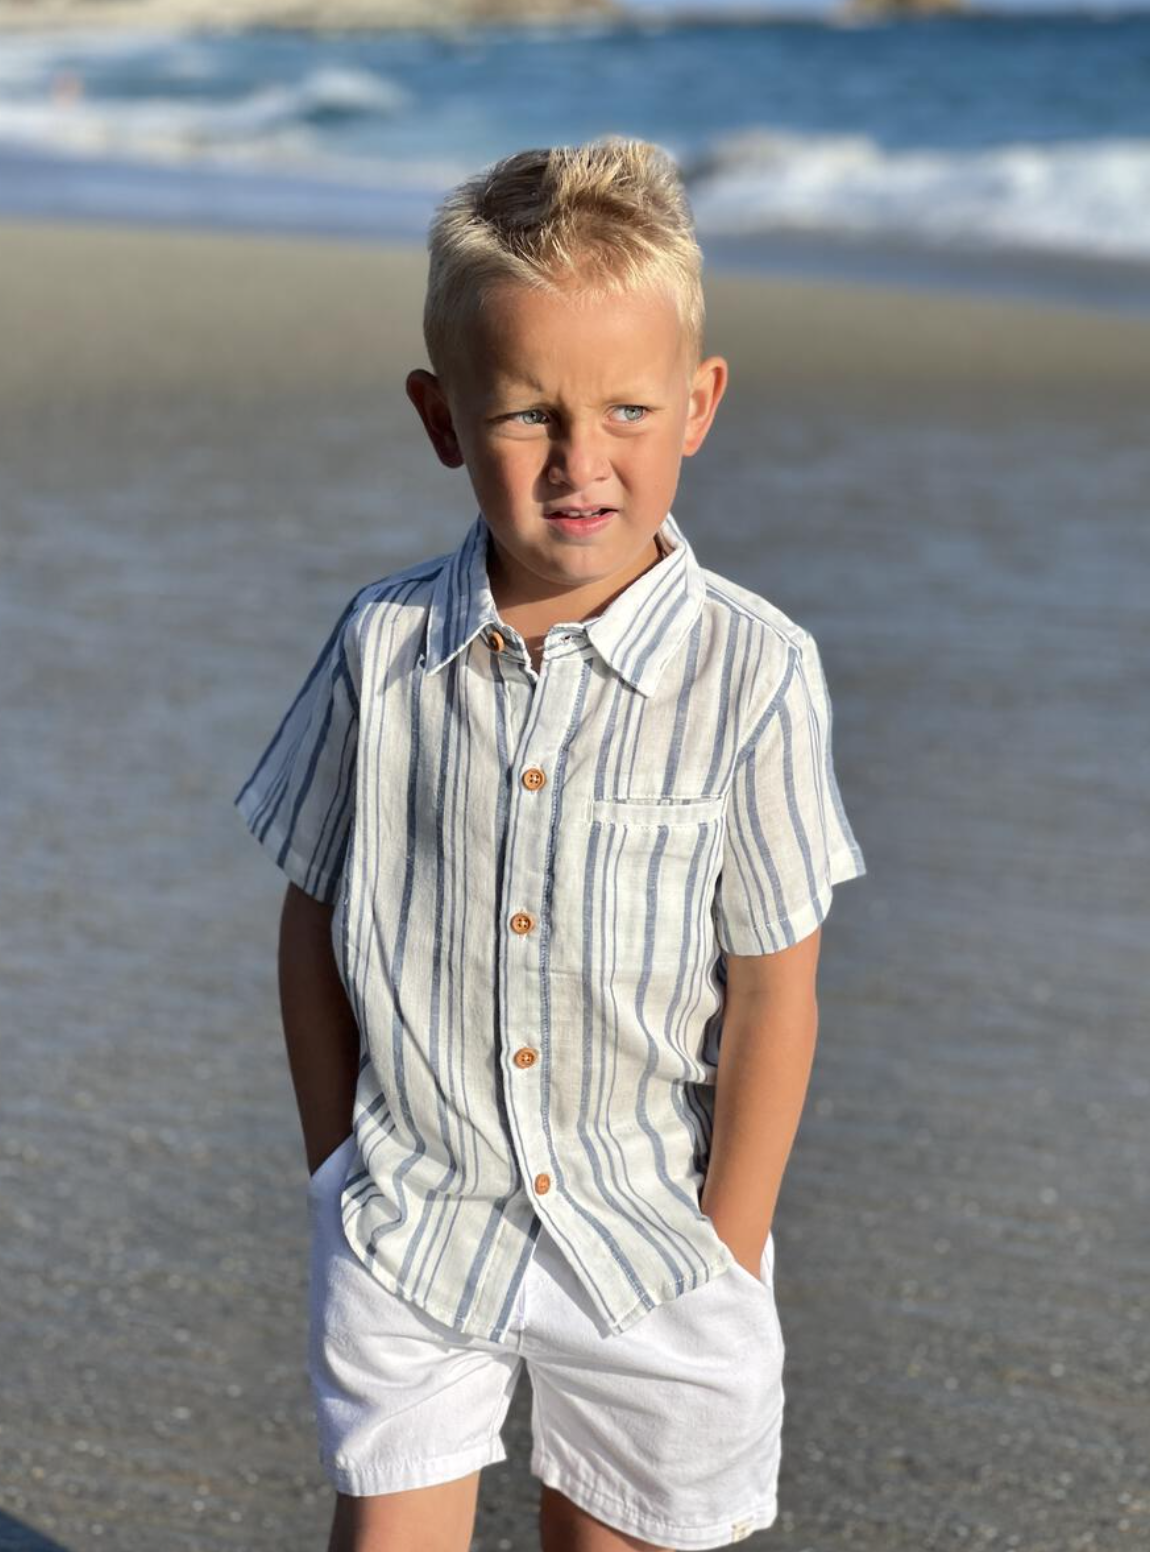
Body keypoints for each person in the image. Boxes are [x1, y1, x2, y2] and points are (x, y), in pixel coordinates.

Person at [234, 136, 867, 1552]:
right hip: (413, 1214)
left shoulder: (751, 673)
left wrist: (728, 1243)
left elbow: (774, 981)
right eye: (528, 417)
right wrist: (334, 1165)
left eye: (627, 411)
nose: (583, 463)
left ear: (697, 405)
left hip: (651, 1240)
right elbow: (312, 915)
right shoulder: (382, 647)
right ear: (441, 416)